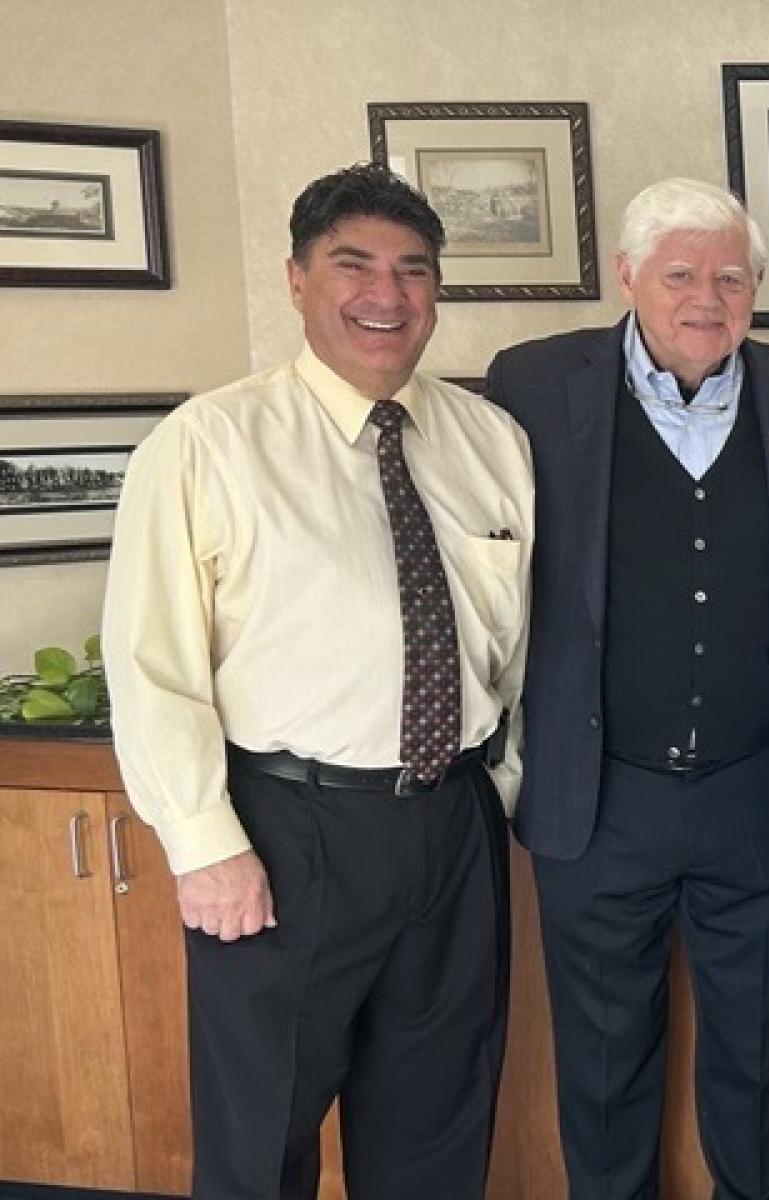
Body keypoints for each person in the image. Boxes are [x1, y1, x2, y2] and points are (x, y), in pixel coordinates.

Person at [101, 162, 533, 1200]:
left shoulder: (491, 441)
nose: (386, 295)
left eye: (413, 270)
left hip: (452, 829)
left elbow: (510, 650)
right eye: (354, 265)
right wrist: (205, 846)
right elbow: (152, 662)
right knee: (263, 1140)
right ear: (297, 279)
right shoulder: (208, 443)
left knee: (440, 1125)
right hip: (286, 834)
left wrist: (494, 797)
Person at [484, 177, 769, 1200]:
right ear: (627, 278)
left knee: (756, 1060)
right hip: (598, 796)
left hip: (756, 790)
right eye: (681, 274)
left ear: (756, 287)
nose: (708, 298)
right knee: (603, 1070)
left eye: (730, 276)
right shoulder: (527, 386)